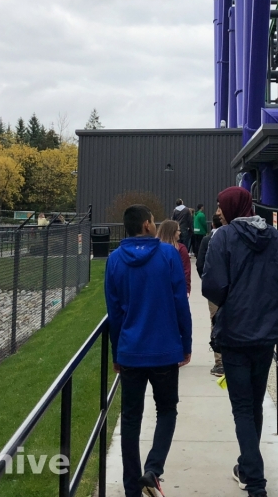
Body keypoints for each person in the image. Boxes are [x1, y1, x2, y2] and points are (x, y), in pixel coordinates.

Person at [201, 187, 278, 497]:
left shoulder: (223, 238)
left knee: (242, 408)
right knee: (254, 403)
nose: (219, 211)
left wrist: (230, 302)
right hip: (267, 334)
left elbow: (213, 284)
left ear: (230, 207)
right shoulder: (276, 238)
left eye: (221, 205)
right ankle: (247, 463)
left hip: (236, 334)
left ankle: (255, 482)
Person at [105, 205, 193, 497]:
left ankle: (132, 487)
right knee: (167, 410)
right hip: (165, 349)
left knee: (131, 417)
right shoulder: (168, 255)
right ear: (146, 225)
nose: (155, 225)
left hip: (131, 351)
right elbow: (181, 302)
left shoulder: (115, 260)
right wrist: (187, 343)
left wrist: (117, 352)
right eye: (153, 221)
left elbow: (114, 313)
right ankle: (153, 469)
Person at [195, 211, 226, 376]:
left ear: (212, 225)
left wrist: (207, 282)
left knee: (216, 321)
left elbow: (200, 265)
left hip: (215, 288)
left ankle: (220, 361)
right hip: (232, 288)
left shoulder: (208, 240)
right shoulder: (232, 238)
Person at [156, 219, 191, 295]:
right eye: (178, 230)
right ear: (172, 232)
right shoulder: (181, 249)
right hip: (175, 290)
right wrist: (187, 289)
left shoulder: (154, 248)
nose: (180, 232)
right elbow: (186, 271)